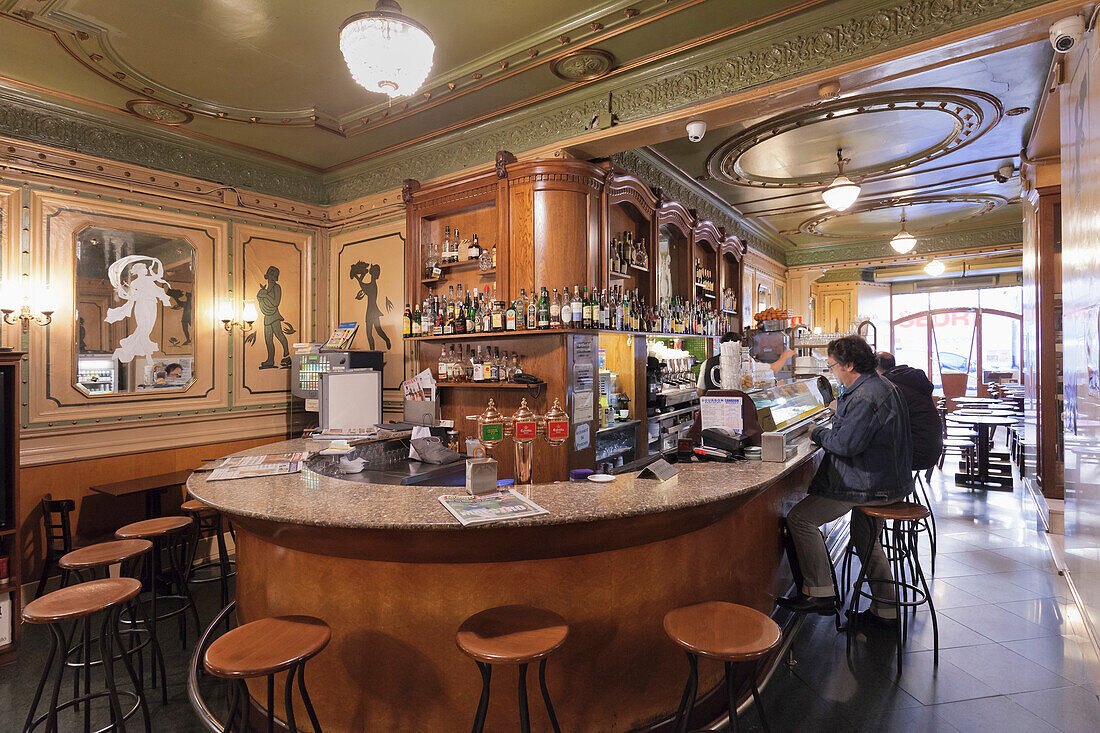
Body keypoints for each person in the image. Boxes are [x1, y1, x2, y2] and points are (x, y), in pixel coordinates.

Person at [777, 335, 913, 626]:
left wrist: (816, 433)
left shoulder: (865, 395)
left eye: (833, 366)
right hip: (891, 480)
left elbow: (846, 445)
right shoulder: (880, 386)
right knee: (866, 539)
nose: (832, 372)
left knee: (800, 519)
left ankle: (820, 594)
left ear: (849, 365)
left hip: (869, 483)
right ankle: (886, 612)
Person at [876, 351, 943, 471]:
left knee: (863, 453)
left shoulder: (890, 386)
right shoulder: (907, 378)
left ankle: (886, 489)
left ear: (874, 368)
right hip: (932, 448)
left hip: (915, 453)